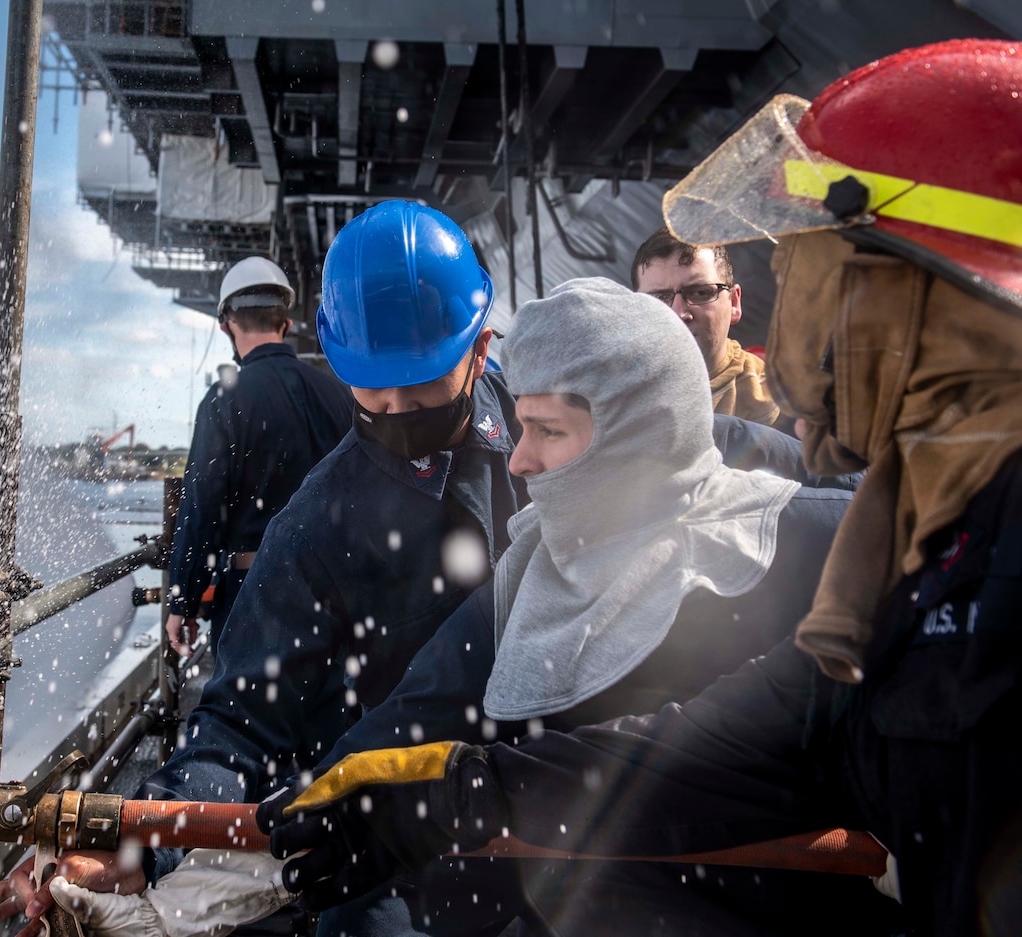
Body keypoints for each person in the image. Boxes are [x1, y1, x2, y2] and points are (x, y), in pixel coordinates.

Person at [260, 39, 1022, 936]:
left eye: (822, 268)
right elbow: (749, 742)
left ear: (939, 298)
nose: (798, 304)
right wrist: (468, 791)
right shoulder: (916, 552)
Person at [0, 200, 530, 935]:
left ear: (480, 352)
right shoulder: (315, 523)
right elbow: (239, 722)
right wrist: (143, 837)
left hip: (540, 795)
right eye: (371, 387)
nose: (391, 410)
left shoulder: (537, 427)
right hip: (381, 821)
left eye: (417, 388)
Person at [262, 277, 897, 936]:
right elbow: (409, 719)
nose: (521, 460)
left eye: (549, 431)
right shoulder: (533, 572)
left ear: (639, 432)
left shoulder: (818, 548)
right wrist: (255, 838)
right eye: (520, 426)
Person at [164, 257, 354, 656]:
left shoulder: (222, 402)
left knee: (245, 715)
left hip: (252, 598)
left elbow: (202, 508)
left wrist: (183, 601)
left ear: (227, 326)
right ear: (284, 323)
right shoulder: (337, 395)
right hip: (335, 596)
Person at [631, 229, 790, 432]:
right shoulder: (607, 401)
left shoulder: (787, 403)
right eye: (659, 298)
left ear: (734, 302)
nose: (679, 313)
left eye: (700, 293)